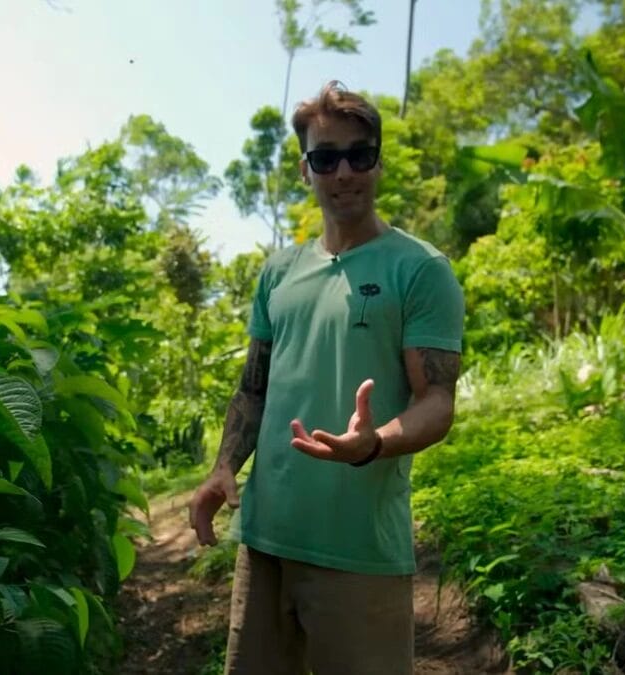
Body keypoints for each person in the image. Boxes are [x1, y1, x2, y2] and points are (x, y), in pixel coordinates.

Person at [187, 80, 465, 675]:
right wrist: (220, 469)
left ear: (378, 161)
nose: (344, 172)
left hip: (358, 551)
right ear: (305, 169)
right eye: (326, 157)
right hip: (264, 542)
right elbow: (253, 388)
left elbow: (437, 400)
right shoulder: (278, 272)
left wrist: (376, 443)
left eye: (358, 155)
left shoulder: (420, 270)